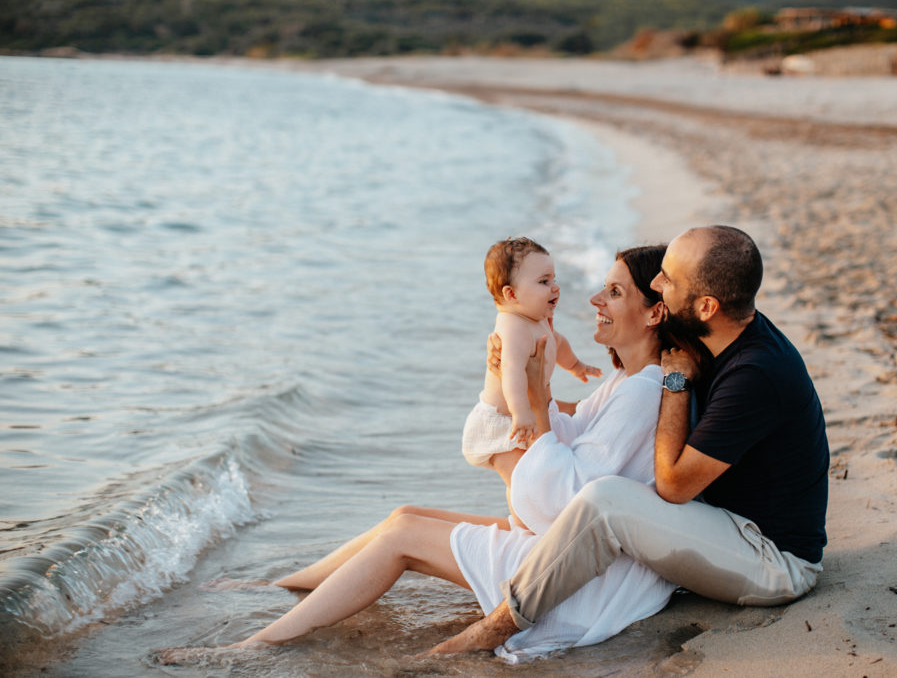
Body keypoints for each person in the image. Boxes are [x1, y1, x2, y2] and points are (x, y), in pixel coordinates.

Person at [157, 245, 704, 664]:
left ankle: (254, 645)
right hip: (576, 555)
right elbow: (569, 439)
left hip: (579, 582)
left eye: (613, 292)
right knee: (405, 514)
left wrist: (537, 402)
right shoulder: (627, 382)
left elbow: (565, 501)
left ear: (653, 313)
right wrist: (535, 394)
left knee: (403, 536)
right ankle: (281, 587)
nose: (594, 300)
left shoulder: (642, 392)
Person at [427, 225, 830, 655]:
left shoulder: (753, 374)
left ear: (707, 306)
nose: (657, 284)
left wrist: (675, 384)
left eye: (668, 280)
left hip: (773, 561)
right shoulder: (721, 336)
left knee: (606, 500)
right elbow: (598, 411)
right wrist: (527, 383)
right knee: (599, 499)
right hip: (728, 529)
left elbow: (673, 485)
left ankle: (495, 629)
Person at [463, 237, 600, 525]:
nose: (555, 287)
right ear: (511, 294)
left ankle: (530, 521)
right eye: (543, 281)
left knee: (537, 478)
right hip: (506, 423)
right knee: (520, 481)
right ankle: (523, 526)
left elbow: (556, 342)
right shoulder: (512, 326)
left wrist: (575, 365)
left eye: (554, 279)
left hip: (530, 416)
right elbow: (512, 372)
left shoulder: (537, 319)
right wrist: (521, 412)